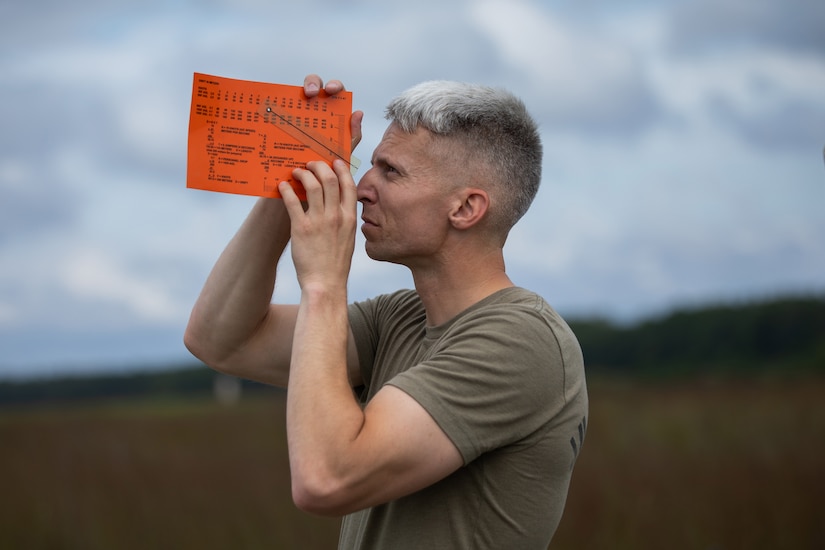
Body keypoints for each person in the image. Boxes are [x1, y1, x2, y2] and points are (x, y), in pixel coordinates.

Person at [184, 74, 588, 549]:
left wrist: (323, 283)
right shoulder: (400, 318)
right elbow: (220, 340)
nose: (360, 188)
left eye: (390, 171)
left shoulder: (522, 341)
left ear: (465, 208)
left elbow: (326, 479)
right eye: (367, 165)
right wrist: (293, 174)